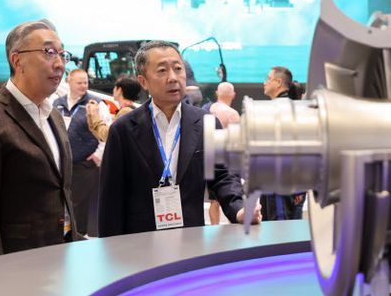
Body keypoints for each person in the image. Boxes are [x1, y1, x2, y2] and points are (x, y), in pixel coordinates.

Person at [99, 40, 261, 237]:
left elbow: (222, 175)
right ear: (143, 81)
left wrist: (239, 209)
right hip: (140, 242)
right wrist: (111, 247)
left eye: (178, 69)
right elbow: (111, 197)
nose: (173, 78)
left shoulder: (206, 122)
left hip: (191, 239)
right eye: (162, 71)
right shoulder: (123, 130)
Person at [0, 20, 80, 260]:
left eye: (62, 54)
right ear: (17, 61)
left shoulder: (53, 116)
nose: (60, 64)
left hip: (63, 251)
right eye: (49, 52)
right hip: (19, 260)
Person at [53, 68, 109, 236]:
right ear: (69, 82)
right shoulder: (57, 103)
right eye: (79, 83)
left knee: (79, 207)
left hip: (84, 164)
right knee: (61, 203)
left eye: (86, 82)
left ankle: (79, 238)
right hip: (61, 164)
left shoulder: (96, 104)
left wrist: (98, 156)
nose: (84, 86)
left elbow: (107, 132)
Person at [261, 66, 306, 220]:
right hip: (277, 183)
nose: (264, 82)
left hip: (282, 184)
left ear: (278, 82)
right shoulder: (287, 108)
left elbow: (299, 149)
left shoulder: (283, 110)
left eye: (268, 78)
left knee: (280, 230)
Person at [206, 82, 241, 224]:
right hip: (229, 160)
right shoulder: (233, 114)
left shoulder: (207, 110)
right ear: (233, 95)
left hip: (211, 158)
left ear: (216, 93)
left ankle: (214, 226)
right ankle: (235, 222)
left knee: (213, 200)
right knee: (232, 195)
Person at [86, 76, 141, 142]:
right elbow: (102, 137)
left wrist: (95, 115)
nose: (113, 90)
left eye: (115, 87)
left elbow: (109, 136)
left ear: (119, 90)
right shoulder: (128, 110)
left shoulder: (126, 111)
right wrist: (91, 116)